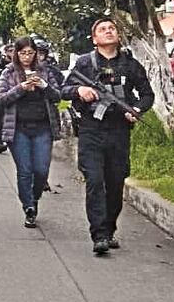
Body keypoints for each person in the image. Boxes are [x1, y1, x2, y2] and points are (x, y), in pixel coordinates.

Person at [61, 16, 154, 255]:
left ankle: (109, 228)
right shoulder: (84, 63)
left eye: (112, 28)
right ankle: (99, 235)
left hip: (119, 131)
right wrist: (80, 91)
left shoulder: (130, 65)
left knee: (115, 183)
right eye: (102, 29)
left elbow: (146, 94)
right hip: (92, 129)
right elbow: (64, 90)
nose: (108, 31)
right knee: (94, 181)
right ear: (94, 39)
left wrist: (137, 110)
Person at [0, 36, 63, 228]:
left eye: (30, 53)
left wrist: (44, 86)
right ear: (16, 53)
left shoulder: (45, 71)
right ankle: (29, 207)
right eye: (23, 52)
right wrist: (21, 88)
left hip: (42, 126)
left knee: (41, 169)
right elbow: (0, 98)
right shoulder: (8, 72)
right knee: (25, 170)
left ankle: (34, 197)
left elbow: (58, 96)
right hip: (18, 128)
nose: (27, 56)